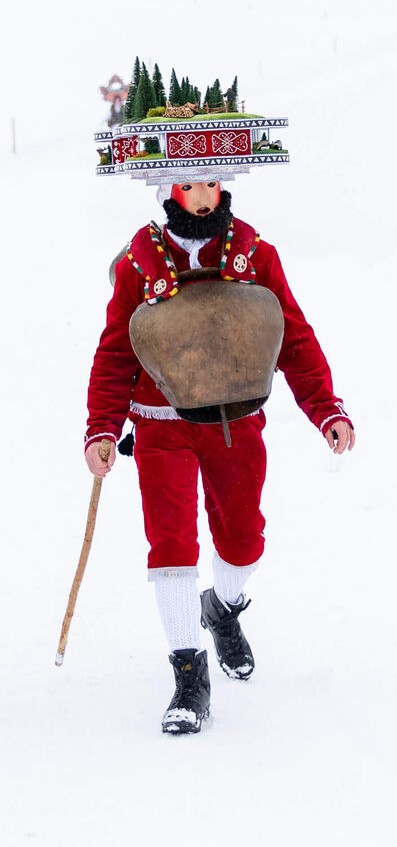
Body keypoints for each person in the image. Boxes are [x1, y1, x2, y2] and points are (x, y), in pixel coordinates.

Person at [84, 179, 354, 734]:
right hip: (161, 425)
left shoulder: (255, 255)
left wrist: (326, 408)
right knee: (172, 542)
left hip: (236, 418)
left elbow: (293, 338)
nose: (203, 198)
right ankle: (188, 675)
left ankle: (222, 606)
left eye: (211, 184)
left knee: (242, 539)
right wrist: (102, 428)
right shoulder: (140, 263)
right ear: (169, 191)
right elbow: (115, 352)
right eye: (189, 186)